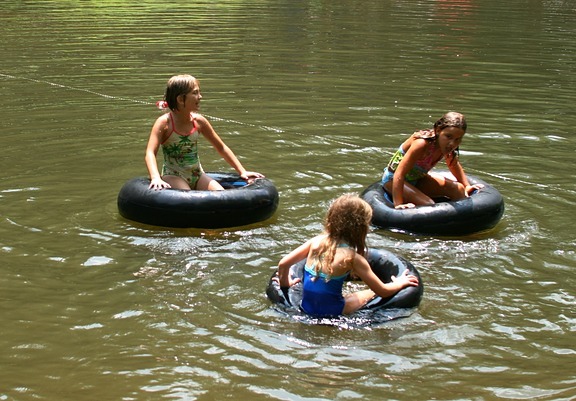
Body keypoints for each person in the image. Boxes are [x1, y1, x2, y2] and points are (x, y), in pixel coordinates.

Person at [276, 194, 419, 318]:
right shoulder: (352, 258)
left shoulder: (316, 242)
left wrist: (285, 284)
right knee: (369, 292)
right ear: (361, 228)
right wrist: (399, 283)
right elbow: (382, 291)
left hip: (306, 307)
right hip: (333, 311)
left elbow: (283, 264)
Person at [145, 74, 264, 190]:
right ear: (181, 99)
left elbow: (221, 147)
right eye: (195, 93)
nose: (200, 96)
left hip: (197, 175)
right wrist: (155, 177)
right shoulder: (164, 123)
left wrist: (242, 171)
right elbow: (150, 152)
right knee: (187, 199)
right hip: (173, 176)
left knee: (221, 195)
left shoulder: (199, 121)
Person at [381, 111, 484, 209]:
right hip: (393, 179)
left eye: (458, 139)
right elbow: (399, 173)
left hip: (418, 179)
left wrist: (466, 186)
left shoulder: (447, 147)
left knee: (459, 189)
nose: (452, 143)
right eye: (448, 136)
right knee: (428, 204)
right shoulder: (422, 144)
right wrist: (398, 204)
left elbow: (453, 165)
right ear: (438, 130)